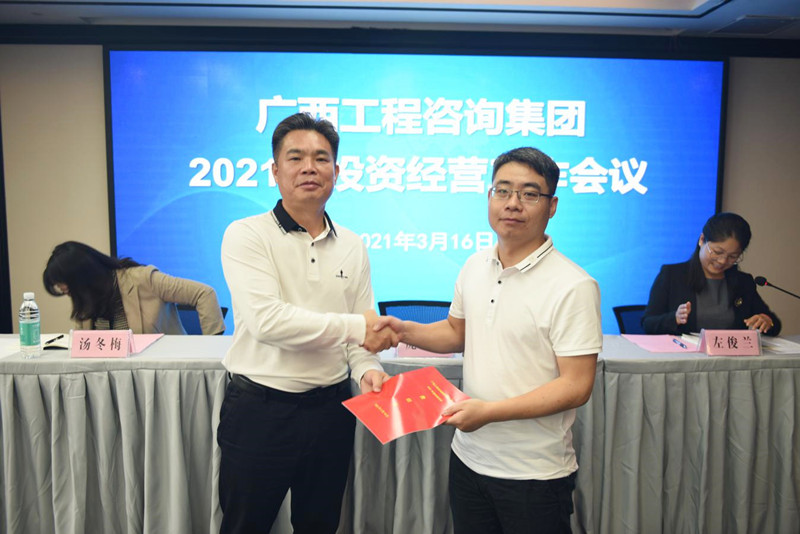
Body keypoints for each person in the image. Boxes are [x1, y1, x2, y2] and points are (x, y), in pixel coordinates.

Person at [375, 147, 602, 533]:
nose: (513, 203)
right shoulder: (474, 265)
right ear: (489, 196)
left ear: (552, 206)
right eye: (503, 190)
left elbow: (576, 386)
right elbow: (456, 333)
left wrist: (489, 412)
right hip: (468, 461)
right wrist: (403, 330)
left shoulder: (574, 285)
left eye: (529, 194)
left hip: (533, 473)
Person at [217, 112, 394, 534]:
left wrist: (367, 369)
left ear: (337, 171)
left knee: (320, 525)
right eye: (295, 158)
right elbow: (268, 322)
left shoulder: (353, 244)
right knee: (245, 525)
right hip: (260, 411)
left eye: (321, 158)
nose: (309, 168)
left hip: (331, 411)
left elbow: (359, 331)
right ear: (275, 171)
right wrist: (358, 329)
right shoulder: (246, 234)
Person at [642, 212, 781, 336]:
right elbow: (648, 323)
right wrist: (675, 318)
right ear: (702, 240)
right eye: (717, 252)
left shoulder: (743, 282)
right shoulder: (672, 275)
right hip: (685, 354)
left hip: (731, 355)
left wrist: (767, 321)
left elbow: (774, 324)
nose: (722, 261)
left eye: (733, 256)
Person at [42, 240, 225, 335]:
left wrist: (210, 352)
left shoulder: (143, 279)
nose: (67, 293)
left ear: (84, 279)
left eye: (68, 288)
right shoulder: (86, 303)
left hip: (163, 374)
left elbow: (204, 294)